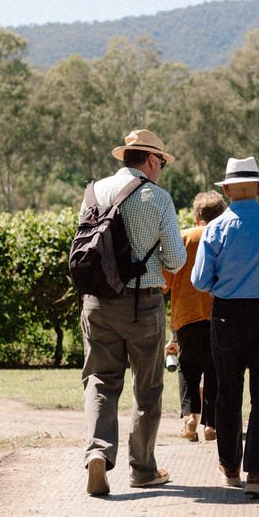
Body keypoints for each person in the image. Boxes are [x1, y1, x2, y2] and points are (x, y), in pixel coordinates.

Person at [81, 129, 187, 497]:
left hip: (96, 302)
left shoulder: (94, 192)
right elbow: (176, 260)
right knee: (147, 387)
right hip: (143, 303)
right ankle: (142, 469)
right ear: (152, 160)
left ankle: (98, 452)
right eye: (162, 164)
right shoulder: (158, 197)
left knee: (100, 380)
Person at [191, 157, 259, 497]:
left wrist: (224, 287)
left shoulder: (215, 228)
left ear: (226, 190)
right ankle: (257, 471)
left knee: (227, 392)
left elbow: (199, 280)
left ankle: (229, 467)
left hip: (228, 314)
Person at [163, 190, 227, 443]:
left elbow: (166, 282)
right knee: (214, 369)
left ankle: (190, 417)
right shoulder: (226, 236)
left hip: (186, 315)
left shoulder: (184, 238)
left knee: (187, 367)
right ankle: (211, 424)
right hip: (218, 314)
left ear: (196, 216)